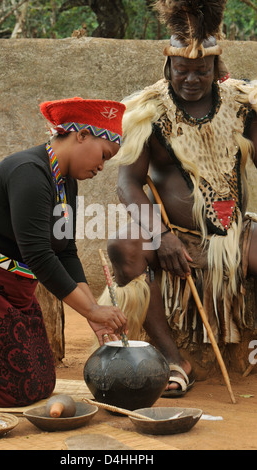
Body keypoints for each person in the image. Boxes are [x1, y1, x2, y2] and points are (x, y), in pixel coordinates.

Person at [101, 0, 257, 397]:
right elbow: (127, 184)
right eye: (183, 70)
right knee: (123, 246)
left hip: (233, 232)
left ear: (217, 69)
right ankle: (173, 359)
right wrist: (160, 235)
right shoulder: (148, 111)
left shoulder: (242, 106)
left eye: (201, 71)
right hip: (173, 232)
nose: (191, 79)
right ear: (168, 67)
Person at [0, 97, 127, 407]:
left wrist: (94, 314)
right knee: (14, 389)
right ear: (81, 135)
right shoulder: (29, 172)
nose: (102, 167)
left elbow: (66, 252)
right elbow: (38, 255)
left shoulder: (65, 183)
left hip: (13, 292)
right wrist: (90, 310)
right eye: (104, 155)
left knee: (40, 382)